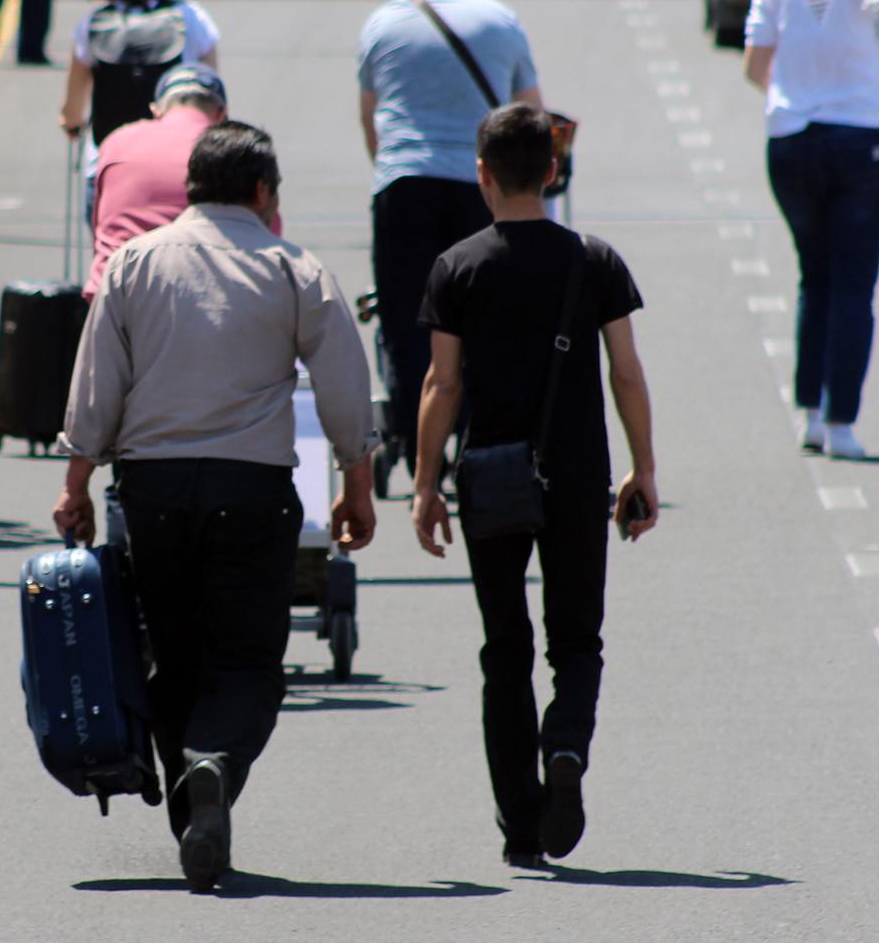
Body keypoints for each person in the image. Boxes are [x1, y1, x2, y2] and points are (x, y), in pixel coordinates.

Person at [53, 121, 378, 891]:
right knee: (249, 663)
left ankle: (195, 812)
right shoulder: (293, 268)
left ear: (190, 186)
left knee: (174, 658)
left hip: (152, 491)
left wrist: (75, 484)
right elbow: (343, 384)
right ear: (262, 191)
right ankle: (213, 770)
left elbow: (96, 384)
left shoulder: (134, 262)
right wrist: (356, 483)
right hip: (251, 491)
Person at [408, 105, 658, 869]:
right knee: (576, 638)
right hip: (577, 474)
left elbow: (442, 384)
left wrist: (424, 484)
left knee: (504, 646)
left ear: (481, 174)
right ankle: (566, 747)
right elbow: (624, 371)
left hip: (490, 477)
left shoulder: (457, 266)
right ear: (552, 170)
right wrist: (642, 468)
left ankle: (520, 825)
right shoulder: (594, 260)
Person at [743, 0, 879, 461]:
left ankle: (811, 415)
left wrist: (801, 93)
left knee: (813, 275)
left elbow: (755, 65)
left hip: (792, 142)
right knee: (853, 283)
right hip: (865, 141)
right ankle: (843, 423)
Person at [358, 0, 543, 475]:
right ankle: (474, 440)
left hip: (404, 182)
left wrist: (392, 168)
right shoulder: (499, 19)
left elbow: (371, 119)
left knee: (406, 316)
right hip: (480, 185)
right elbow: (530, 113)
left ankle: (419, 446)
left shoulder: (383, 24)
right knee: (482, 314)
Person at [57, 0, 220, 145]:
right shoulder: (191, 17)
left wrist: (70, 124)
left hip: (112, 148)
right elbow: (212, 92)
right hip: (175, 146)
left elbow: (73, 111)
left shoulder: (92, 24)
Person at [84, 63, 231, 294]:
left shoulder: (117, 141)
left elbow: (99, 227)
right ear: (221, 115)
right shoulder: (231, 153)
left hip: (114, 290)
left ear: (156, 111)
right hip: (199, 294)